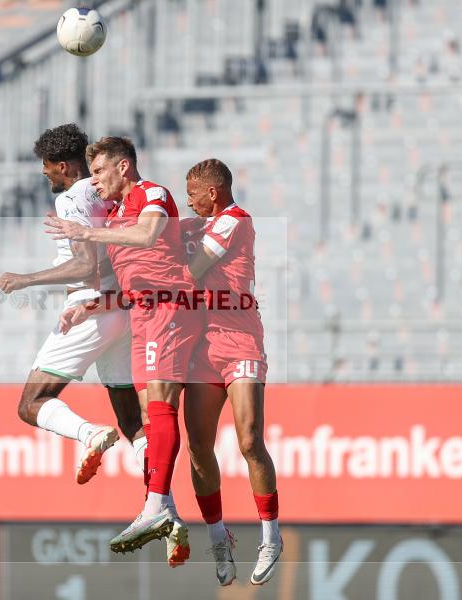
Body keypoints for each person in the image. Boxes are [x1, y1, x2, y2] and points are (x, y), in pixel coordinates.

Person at [46, 137, 199, 567]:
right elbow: (130, 287)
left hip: (170, 309)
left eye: (99, 172)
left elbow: (150, 234)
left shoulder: (153, 194)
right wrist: (88, 308)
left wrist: (85, 231)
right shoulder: (113, 219)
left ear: (124, 167)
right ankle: (165, 509)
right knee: (150, 416)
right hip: (143, 316)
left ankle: (157, 507)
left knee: (161, 409)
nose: (94, 182)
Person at [0, 124, 143, 486]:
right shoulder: (108, 192)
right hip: (121, 311)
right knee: (132, 422)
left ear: (62, 165)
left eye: (46, 166)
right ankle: (162, 505)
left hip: (88, 312)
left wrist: (25, 279)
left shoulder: (71, 198)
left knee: (31, 404)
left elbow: (84, 265)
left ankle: (88, 434)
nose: (44, 173)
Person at [182, 159, 282, 586]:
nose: (187, 200)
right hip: (205, 346)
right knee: (199, 445)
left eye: (191, 193)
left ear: (213, 193)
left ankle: (271, 536)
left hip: (240, 340)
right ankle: (217, 534)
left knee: (248, 439)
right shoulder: (200, 226)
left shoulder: (235, 221)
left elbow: (190, 272)